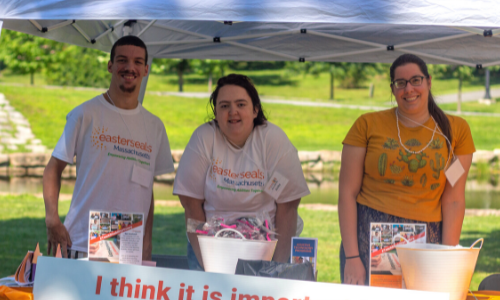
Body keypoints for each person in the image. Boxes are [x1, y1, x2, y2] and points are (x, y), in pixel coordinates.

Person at [338, 53, 475, 285]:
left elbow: (453, 199)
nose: (408, 89)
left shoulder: (456, 131)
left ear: (429, 82)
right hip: (367, 240)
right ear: (393, 89)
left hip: (426, 242)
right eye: (400, 83)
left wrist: (446, 257)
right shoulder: (367, 125)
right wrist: (352, 257)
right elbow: (347, 194)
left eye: (415, 80)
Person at [43, 35, 175, 259]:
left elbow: (147, 190)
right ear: (110, 65)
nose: (129, 67)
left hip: (129, 247)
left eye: (138, 62)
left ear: (146, 70)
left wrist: (147, 240)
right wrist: (52, 220)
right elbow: (53, 169)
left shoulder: (154, 126)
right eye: (122, 60)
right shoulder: (85, 114)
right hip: (82, 243)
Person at [173, 74, 310, 270]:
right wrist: (207, 265)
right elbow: (190, 203)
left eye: (241, 104)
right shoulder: (204, 138)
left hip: (268, 244)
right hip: (210, 245)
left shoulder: (272, 140)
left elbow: (287, 206)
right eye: (224, 106)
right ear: (216, 112)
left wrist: (275, 268)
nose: (232, 112)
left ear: (255, 110)